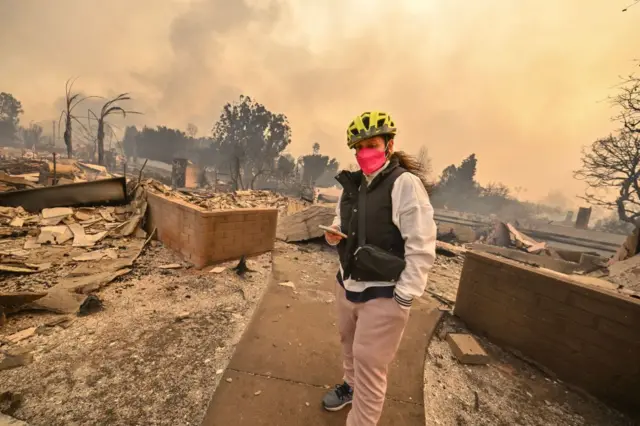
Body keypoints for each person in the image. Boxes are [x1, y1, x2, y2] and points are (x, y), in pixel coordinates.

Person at [322, 111, 437, 426]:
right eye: (358, 147)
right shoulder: (353, 185)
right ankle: (349, 386)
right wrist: (334, 233)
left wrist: (404, 296)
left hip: (384, 293)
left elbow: (422, 244)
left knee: (371, 366)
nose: (364, 153)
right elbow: (342, 222)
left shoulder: (405, 184)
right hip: (347, 285)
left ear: (388, 145)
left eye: (371, 144)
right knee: (349, 346)